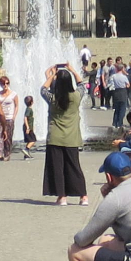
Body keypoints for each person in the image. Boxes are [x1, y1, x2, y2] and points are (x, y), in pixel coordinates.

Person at [44, 65, 89, 206]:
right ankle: (83, 197)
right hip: (72, 137)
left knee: (58, 168)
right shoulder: (75, 97)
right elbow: (82, 85)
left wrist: (52, 75)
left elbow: (43, 89)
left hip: (55, 137)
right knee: (75, 166)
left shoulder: (52, 98)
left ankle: (62, 197)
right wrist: (73, 70)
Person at [0, 73, 18, 163]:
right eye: (3, 83)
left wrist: (14, 116)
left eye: (7, 83)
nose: (5, 85)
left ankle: (7, 153)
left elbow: (17, 105)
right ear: (0, 84)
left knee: (8, 136)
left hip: (9, 117)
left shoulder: (13, 94)